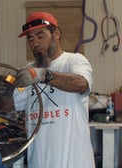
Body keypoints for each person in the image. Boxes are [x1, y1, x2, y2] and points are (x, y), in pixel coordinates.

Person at [12, 11, 95, 168]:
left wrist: (44, 75)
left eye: (40, 35)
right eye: (30, 38)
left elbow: (82, 84)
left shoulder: (74, 61)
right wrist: (3, 90)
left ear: (56, 33)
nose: (34, 42)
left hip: (74, 163)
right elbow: (12, 105)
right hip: (38, 162)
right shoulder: (27, 72)